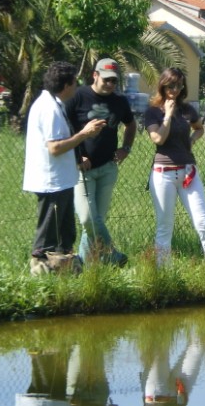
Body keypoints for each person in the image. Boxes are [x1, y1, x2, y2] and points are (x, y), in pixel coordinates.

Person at [23, 61, 105, 275]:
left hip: (61, 180)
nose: (77, 87)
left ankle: (64, 270)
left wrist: (77, 159)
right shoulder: (49, 109)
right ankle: (40, 270)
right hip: (52, 182)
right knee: (47, 237)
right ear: (67, 85)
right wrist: (85, 134)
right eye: (75, 83)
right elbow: (54, 147)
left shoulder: (53, 104)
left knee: (64, 234)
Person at [143, 67, 205, 264]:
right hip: (163, 174)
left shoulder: (187, 110)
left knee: (203, 222)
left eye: (179, 85)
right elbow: (159, 139)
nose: (175, 89)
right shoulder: (153, 112)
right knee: (165, 226)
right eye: (171, 85)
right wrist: (168, 115)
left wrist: (192, 140)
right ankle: (164, 273)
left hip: (188, 172)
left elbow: (199, 128)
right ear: (163, 85)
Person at [65, 58, 136, 266]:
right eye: (106, 80)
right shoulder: (78, 96)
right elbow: (66, 129)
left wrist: (126, 148)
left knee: (97, 221)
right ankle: (112, 254)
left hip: (107, 168)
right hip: (81, 170)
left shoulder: (120, 101)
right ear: (95, 75)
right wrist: (78, 155)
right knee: (88, 219)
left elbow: (131, 125)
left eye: (114, 81)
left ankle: (86, 270)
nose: (110, 84)